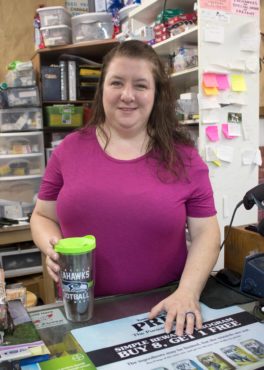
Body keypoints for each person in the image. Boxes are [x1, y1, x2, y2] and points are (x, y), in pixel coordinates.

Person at [30, 40, 220, 336]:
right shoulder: (69, 150)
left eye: (141, 85)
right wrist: (52, 247)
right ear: (102, 88)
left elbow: (206, 232)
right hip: (82, 309)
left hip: (166, 310)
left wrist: (188, 292)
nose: (127, 95)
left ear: (156, 94)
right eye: (117, 82)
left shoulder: (185, 158)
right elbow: (42, 216)